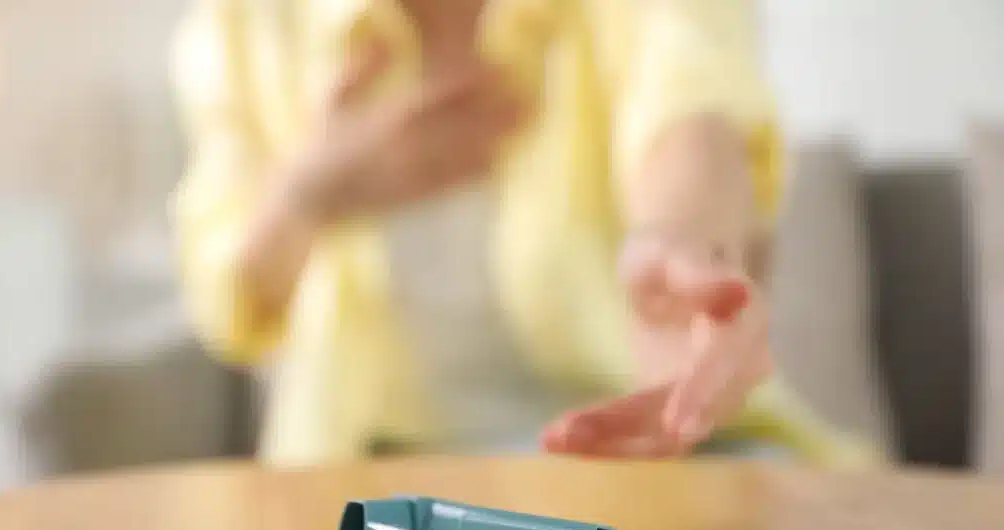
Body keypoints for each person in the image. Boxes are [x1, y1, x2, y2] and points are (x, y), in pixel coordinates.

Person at [170, 0, 870, 466]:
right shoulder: (248, 19)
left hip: (655, 456)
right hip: (366, 470)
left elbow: (691, 97)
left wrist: (682, 248)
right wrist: (306, 193)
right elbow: (225, 301)